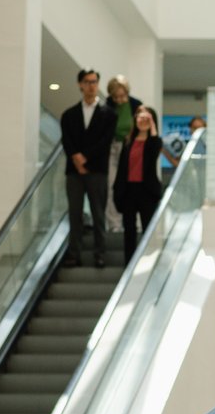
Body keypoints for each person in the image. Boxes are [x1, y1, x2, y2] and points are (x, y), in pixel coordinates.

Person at [58, 67, 116, 267]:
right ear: (80, 85)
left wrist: (86, 159)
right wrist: (77, 159)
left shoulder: (109, 114)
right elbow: (67, 140)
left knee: (98, 213)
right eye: (87, 82)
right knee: (75, 214)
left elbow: (104, 142)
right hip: (74, 172)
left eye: (94, 82)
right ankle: (74, 253)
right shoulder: (69, 114)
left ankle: (99, 253)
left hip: (97, 170)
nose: (91, 86)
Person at [112, 103, 171, 256]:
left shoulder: (153, 141)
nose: (142, 120)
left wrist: (151, 124)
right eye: (140, 116)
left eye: (146, 117)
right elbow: (121, 170)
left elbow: (154, 150)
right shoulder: (128, 141)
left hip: (146, 191)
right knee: (129, 231)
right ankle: (129, 265)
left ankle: (147, 262)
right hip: (129, 191)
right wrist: (117, 190)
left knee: (148, 230)